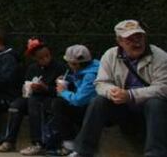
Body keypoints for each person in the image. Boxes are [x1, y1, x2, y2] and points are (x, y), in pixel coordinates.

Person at [69, 20, 167, 157]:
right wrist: (112, 92)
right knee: (98, 101)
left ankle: (155, 154)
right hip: (123, 108)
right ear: (119, 41)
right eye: (130, 39)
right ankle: (83, 151)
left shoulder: (160, 56)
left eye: (139, 37)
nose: (136, 42)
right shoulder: (110, 55)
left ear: (145, 37)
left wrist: (131, 94)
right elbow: (101, 83)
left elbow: (163, 87)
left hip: (152, 110)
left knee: (156, 103)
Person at [0, 39, 66, 153]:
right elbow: (26, 85)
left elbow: (61, 91)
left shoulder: (59, 68)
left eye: (47, 56)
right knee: (16, 105)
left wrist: (46, 88)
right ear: (35, 59)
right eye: (41, 58)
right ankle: (9, 141)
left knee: (34, 103)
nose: (45, 59)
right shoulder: (32, 68)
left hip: (49, 97)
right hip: (33, 96)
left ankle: (37, 143)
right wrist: (28, 89)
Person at [36, 45, 98, 156]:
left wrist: (63, 91)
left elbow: (79, 100)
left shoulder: (91, 76)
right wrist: (69, 78)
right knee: (54, 105)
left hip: (90, 110)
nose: (67, 65)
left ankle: (70, 144)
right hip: (88, 107)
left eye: (69, 62)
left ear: (76, 64)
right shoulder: (88, 69)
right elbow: (80, 81)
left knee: (58, 104)